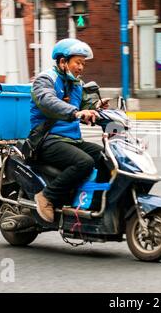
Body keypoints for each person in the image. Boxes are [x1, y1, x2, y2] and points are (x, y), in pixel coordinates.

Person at [30, 38, 110, 223]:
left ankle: (95, 202)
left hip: (71, 139)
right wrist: (75, 113)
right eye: (77, 62)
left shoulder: (76, 84)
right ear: (63, 62)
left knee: (106, 157)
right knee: (84, 162)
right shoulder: (45, 79)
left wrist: (96, 106)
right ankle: (46, 197)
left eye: (83, 63)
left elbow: (83, 104)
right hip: (47, 139)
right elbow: (47, 101)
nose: (81, 67)